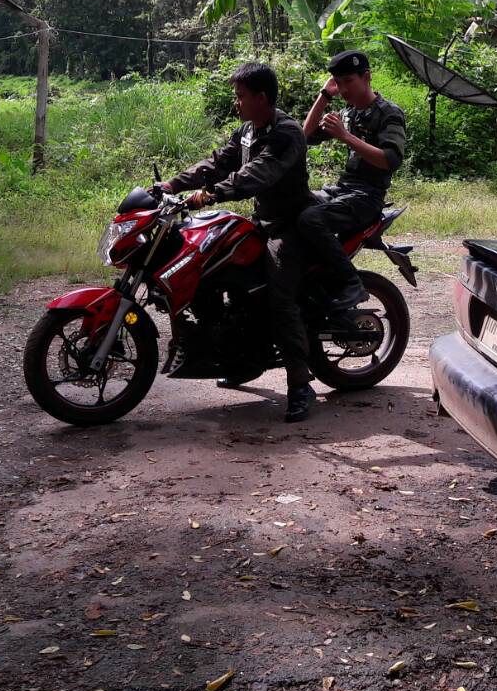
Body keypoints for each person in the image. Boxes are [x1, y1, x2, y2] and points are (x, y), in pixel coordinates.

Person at [155, 62, 318, 423]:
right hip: (262, 219)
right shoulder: (247, 130)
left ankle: (299, 385)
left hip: (289, 225)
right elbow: (219, 162)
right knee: (214, 269)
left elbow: (257, 173)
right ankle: (240, 359)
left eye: (241, 96)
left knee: (280, 298)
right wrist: (173, 184)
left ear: (262, 97)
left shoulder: (287, 132)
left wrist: (212, 194)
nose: (237, 102)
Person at [301, 50, 407, 326]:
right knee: (291, 205)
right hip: (343, 190)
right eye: (339, 82)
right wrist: (324, 96)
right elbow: (305, 136)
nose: (344, 89)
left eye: (349, 81)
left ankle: (350, 282)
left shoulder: (388, 113)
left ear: (366, 77)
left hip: (367, 197)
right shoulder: (348, 112)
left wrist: (346, 136)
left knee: (310, 218)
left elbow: (390, 160)